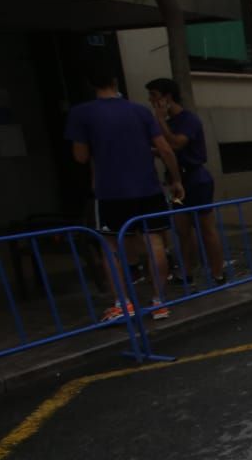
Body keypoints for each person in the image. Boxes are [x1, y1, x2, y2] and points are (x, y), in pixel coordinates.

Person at [67, 65, 184, 321]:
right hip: (147, 186)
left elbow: (80, 155)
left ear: (91, 84)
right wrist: (175, 179)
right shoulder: (140, 112)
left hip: (110, 191)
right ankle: (158, 301)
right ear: (115, 81)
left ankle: (123, 303)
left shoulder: (81, 113)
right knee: (155, 242)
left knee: (111, 247)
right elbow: (165, 149)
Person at [147, 78, 227, 286]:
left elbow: (176, 144)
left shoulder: (188, 120)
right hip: (177, 181)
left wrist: (160, 121)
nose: (151, 100)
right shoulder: (168, 122)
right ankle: (187, 273)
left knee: (206, 227)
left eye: (154, 95)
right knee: (182, 229)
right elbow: (166, 149)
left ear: (167, 97)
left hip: (196, 179)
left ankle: (218, 272)